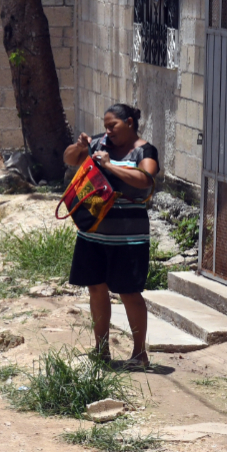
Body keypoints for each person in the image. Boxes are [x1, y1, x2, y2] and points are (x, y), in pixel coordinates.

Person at [63, 103, 159, 369]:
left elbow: (145, 180)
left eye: (112, 125)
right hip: (94, 233)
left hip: (129, 237)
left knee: (129, 292)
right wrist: (80, 146)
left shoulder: (145, 150)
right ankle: (101, 350)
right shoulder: (98, 144)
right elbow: (70, 159)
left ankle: (139, 354)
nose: (107, 131)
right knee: (96, 288)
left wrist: (109, 166)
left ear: (129, 122)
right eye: (105, 126)